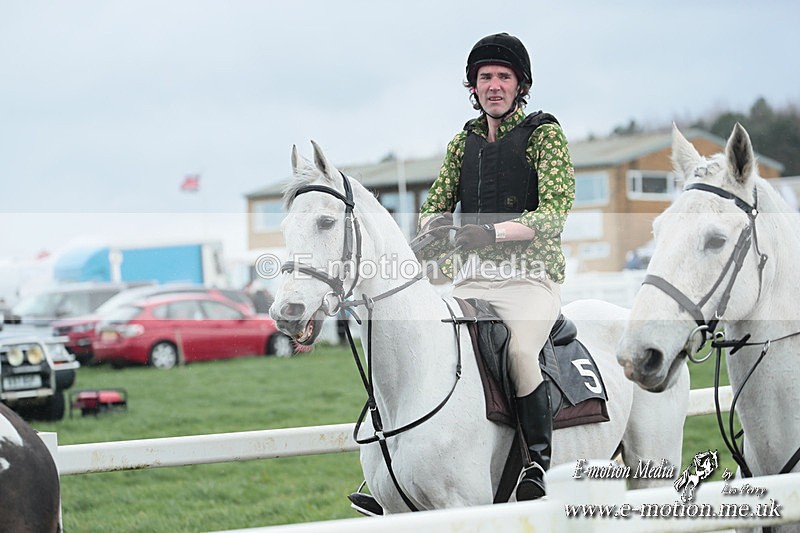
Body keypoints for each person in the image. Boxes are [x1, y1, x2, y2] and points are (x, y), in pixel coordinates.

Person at [418, 32, 575, 501]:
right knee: (424, 346)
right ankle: (399, 461)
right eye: (485, 77)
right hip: (470, 281)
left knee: (521, 354)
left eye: (503, 77)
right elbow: (435, 203)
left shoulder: (545, 135)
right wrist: (435, 230)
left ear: (519, 86)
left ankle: (535, 466)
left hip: (530, 279)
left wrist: (488, 233)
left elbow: (554, 213)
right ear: (474, 86)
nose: (494, 85)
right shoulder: (460, 143)